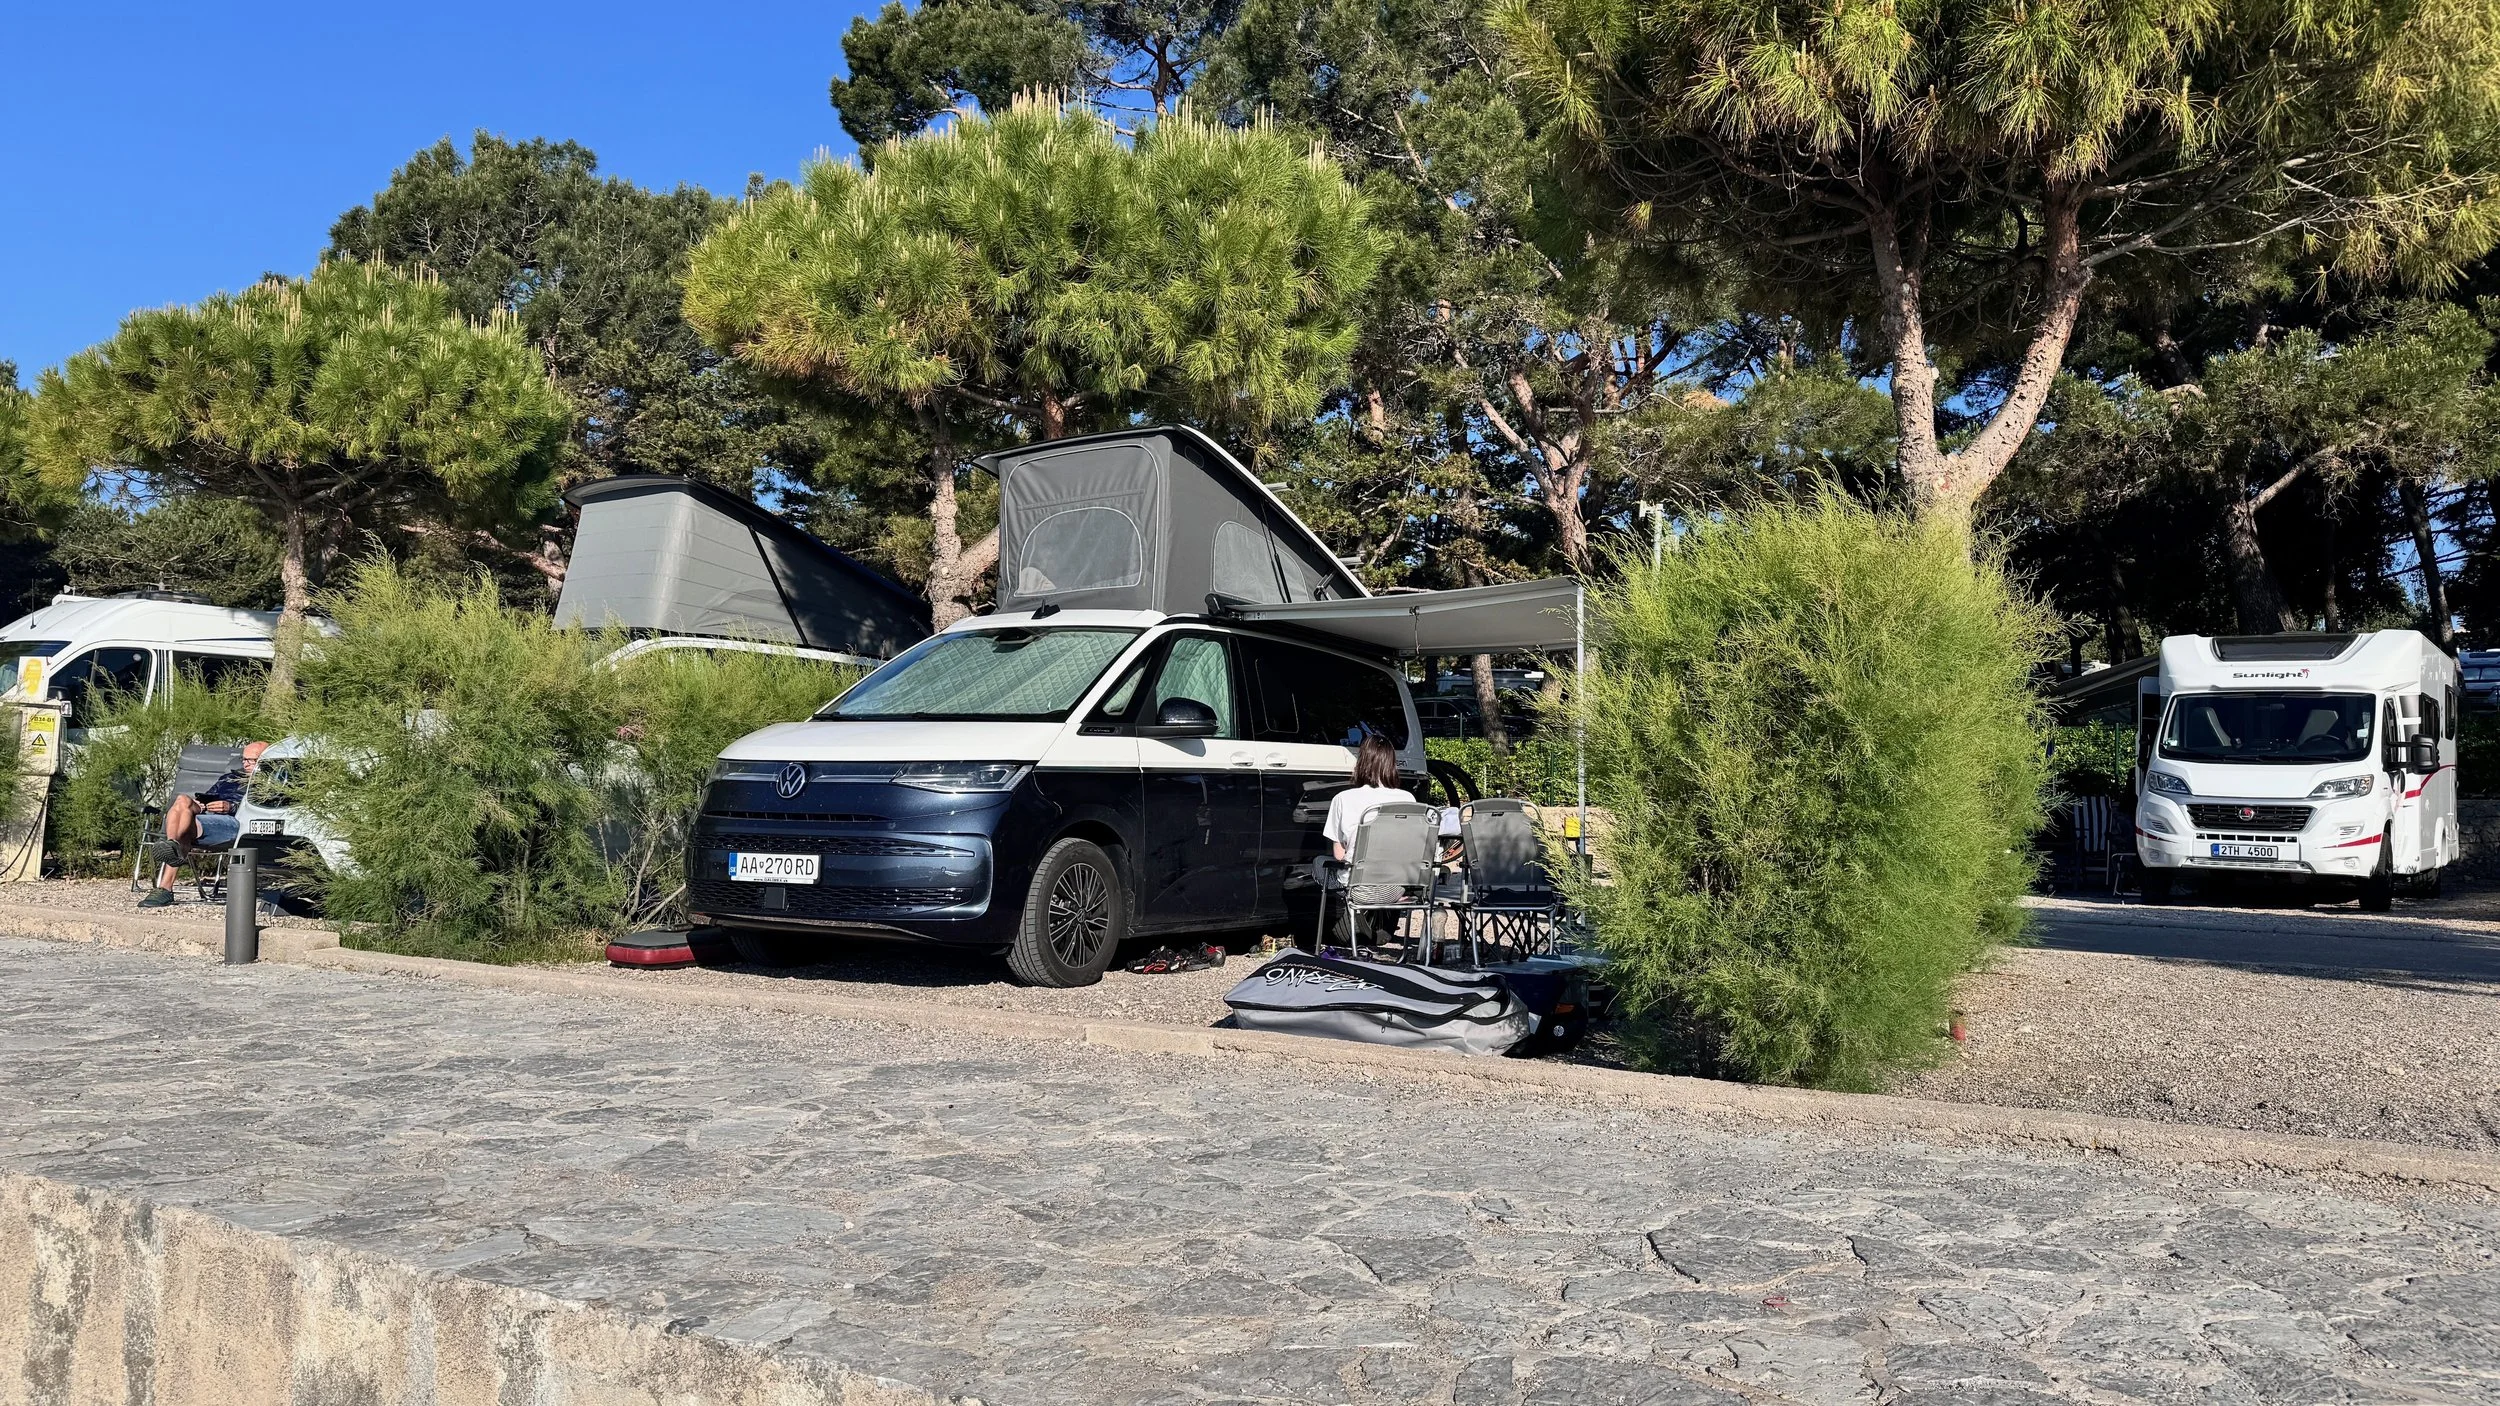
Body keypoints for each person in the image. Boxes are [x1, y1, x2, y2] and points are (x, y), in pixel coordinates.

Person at [138, 740, 268, 908]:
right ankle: (172, 846)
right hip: (206, 817)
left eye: (251, 760)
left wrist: (231, 807)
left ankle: (165, 886)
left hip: (236, 823)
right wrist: (202, 804)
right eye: (244, 759)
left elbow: (262, 809)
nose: (246, 763)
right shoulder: (230, 777)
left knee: (182, 830)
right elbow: (208, 796)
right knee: (182, 800)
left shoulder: (268, 782)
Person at [1322, 734, 1413, 861]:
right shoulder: (1408, 798)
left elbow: (1339, 855)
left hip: (1357, 878)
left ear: (1361, 762)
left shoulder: (1343, 798)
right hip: (1399, 876)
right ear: (1392, 764)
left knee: (1319, 864)